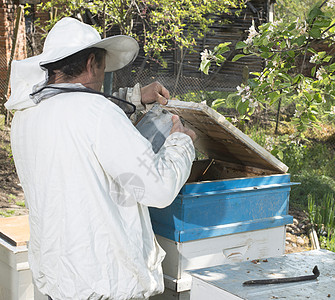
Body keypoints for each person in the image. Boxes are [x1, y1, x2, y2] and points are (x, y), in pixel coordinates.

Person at [5, 17, 196, 300]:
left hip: (56, 281)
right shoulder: (97, 114)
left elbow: (80, 118)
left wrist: (133, 97)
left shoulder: (26, 115)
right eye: (104, 67)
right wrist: (181, 142)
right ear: (92, 62)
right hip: (101, 283)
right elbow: (158, 187)